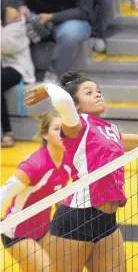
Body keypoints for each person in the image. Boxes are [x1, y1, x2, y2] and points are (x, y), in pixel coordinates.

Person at [24, 71, 138, 272]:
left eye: (98, 91)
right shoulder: (76, 126)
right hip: (77, 218)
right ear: (76, 104)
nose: (97, 94)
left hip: (106, 221)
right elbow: (62, 102)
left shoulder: (109, 129)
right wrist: (46, 88)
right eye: (89, 92)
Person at [0, 110, 71, 272]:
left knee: (62, 265)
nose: (62, 133)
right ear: (45, 135)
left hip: (42, 230)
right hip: (17, 232)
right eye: (56, 129)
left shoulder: (67, 161)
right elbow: (2, 195)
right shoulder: (34, 166)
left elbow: (57, 193)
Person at [1, 0, 36, 147]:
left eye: (16, 15)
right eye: (10, 15)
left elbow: (5, 46)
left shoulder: (19, 27)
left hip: (18, 69)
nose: (14, 19)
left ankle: (7, 132)